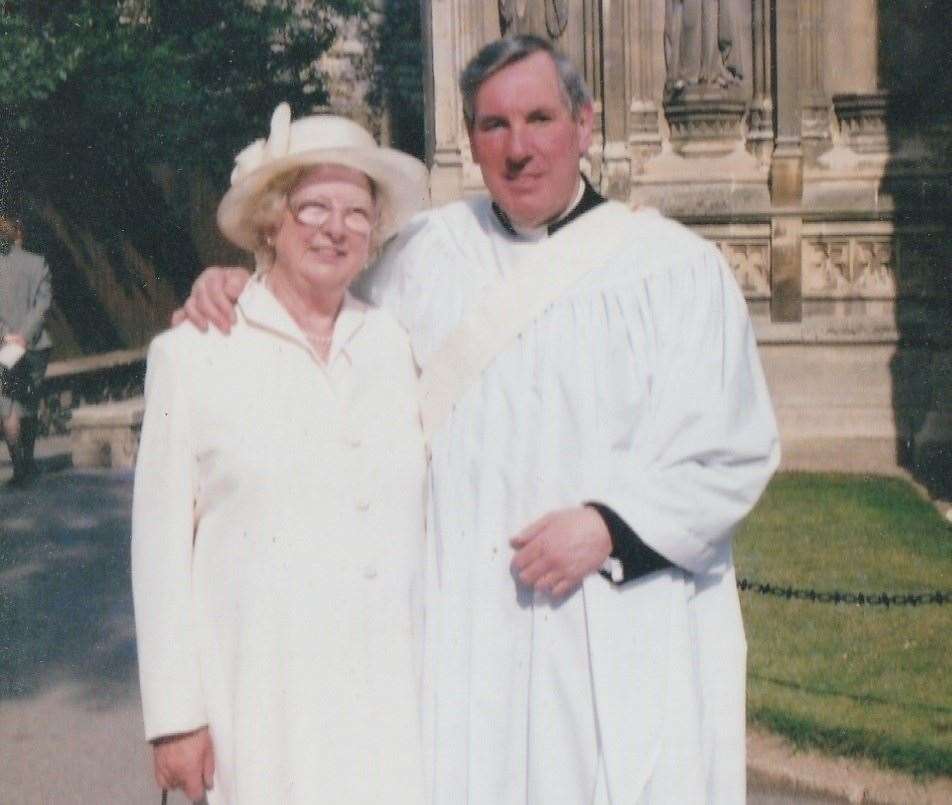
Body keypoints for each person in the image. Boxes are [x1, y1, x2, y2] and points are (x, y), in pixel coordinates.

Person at [180, 35, 780, 804]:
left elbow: (734, 451)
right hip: (468, 635)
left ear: (585, 124)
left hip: (609, 622)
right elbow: (320, 307)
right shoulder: (425, 254)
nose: (519, 148)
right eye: (494, 125)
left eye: (539, 118)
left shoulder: (673, 271)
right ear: (470, 138)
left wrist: (609, 525)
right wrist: (239, 282)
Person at [132, 107, 430, 803]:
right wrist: (175, 720)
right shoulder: (195, 353)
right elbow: (159, 549)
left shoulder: (396, 343)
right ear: (270, 220)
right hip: (265, 704)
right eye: (314, 207)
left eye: (357, 212)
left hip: (393, 702)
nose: (336, 227)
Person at [0, 214, 53, 488]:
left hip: (3, 347)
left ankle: (20, 467)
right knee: (29, 402)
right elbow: (43, 306)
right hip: (34, 345)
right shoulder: (38, 263)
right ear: (19, 234)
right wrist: (24, 335)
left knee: (7, 404)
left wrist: (6, 336)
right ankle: (29, 463)